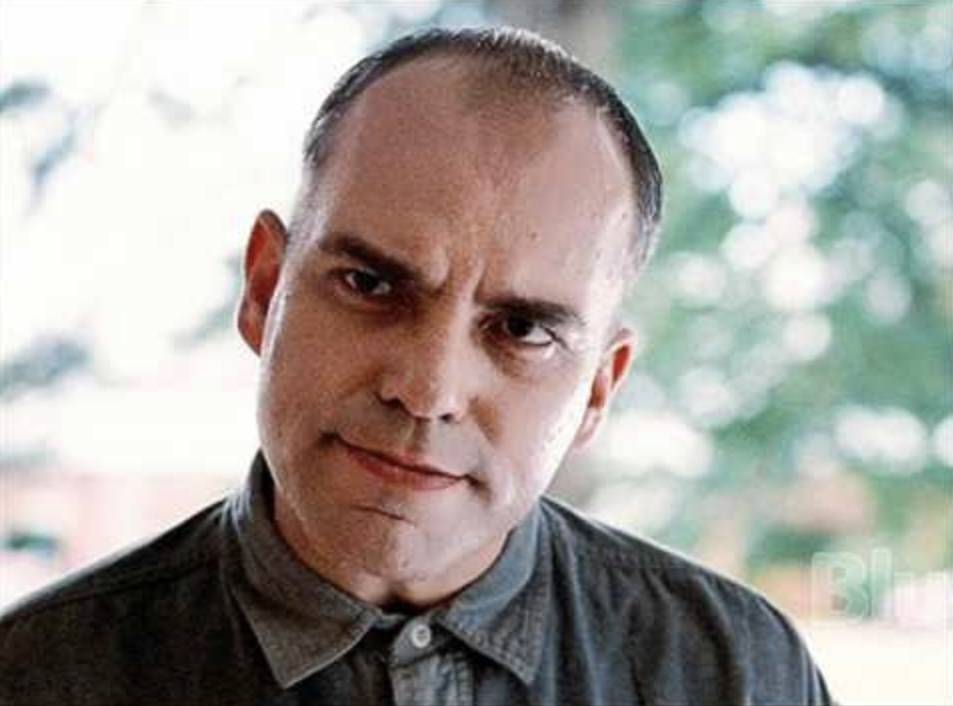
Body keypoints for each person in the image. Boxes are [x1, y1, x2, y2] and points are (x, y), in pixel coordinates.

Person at [0, 26, 832, 705]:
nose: (428, 389)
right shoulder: (34, 676)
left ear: (597, 390)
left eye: (522, 330)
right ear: (264, 290)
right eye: (370, 285)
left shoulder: (737, 673)